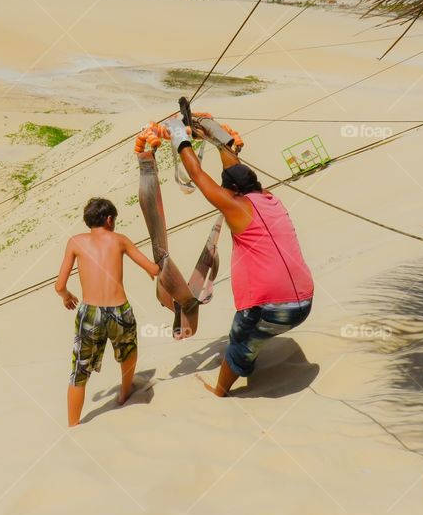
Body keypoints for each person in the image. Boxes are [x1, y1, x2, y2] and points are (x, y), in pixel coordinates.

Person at [166, 117, 314, 396]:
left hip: (274, 308)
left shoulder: (236, 207)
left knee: (239, 345)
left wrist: (177, 133)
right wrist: (209, 129)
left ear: (231, 192)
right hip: (306, 300)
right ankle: (255, 347)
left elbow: (198, 176)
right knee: (252, 336)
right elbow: (234, 165)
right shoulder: (270, 198)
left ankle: (219, 391)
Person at [54, 197, 161, 426]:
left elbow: (59, 286)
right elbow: (153, 268)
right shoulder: (120, 240)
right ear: (110, 219)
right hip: (119, 310)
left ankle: (73, 424)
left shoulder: (76, 242)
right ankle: (124, 394)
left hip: (90, 313)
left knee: (79, 370)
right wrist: (157, 267)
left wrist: (67, 297)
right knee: (128, 352)